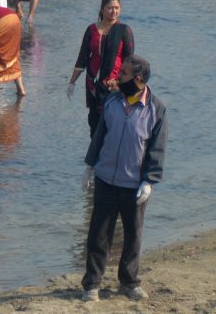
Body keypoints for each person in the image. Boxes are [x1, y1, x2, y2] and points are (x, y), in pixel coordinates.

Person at [81, 55, 167, 303]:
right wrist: (89, 165)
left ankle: (129, 282)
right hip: (106, 179)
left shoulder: (156, 109)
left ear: (138, 79)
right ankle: (92, 284)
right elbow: (100, 135)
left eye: (125, 74)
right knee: (98, 233)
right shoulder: (112, 100)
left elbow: (157, 149)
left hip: (134, 185)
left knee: (133, 235)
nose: (119, 78)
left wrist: (149, 181)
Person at [67, 0, 135, 136]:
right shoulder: (91, 29)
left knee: (112, 119)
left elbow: (129, 61)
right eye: (110, 8)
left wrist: (121, 83)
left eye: (117, 8)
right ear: (102, 9)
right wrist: (72, 82)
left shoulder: (124, 31)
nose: (114, 11)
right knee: (94, 120)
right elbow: (83, 58)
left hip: (114, 83)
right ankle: (95, 154)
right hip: (92, 81)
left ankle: (110, 153)